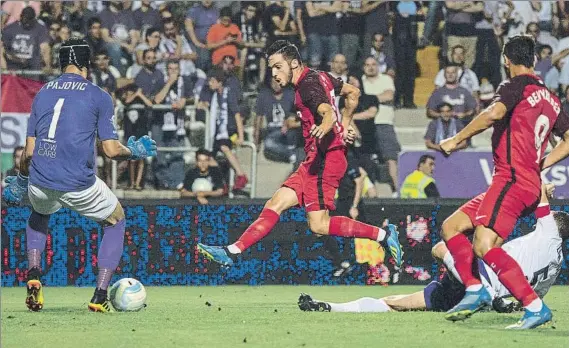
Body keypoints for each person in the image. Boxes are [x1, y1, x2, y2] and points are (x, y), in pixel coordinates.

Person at [197, 40, 403, 269]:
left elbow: (326, 113)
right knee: (275, 203)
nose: (273, 74)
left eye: (277, 67)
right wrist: (344, 125)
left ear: (293, 63)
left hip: (325, 160)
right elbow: (353, 92)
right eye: (271, 68)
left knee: (319, 225)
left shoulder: (307, 86)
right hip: (314, 160)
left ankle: (383, 235)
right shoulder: (321, 76)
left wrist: (330, 125)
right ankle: (232, 251)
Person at [2, 38, 157, 313]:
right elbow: (110, 150)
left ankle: (34, 274)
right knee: (116, 220)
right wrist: (132, 152)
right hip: (78, 183)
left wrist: (23, 181)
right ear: (87, 65)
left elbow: (29, 152)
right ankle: (99, 296)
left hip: (40, 180)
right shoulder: (98, 95)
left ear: (61, 63)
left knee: (39, 214)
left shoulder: (43, 93)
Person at [438, 35, 569, 329]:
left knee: (483, 244)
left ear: (506, 60)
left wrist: (457, 139)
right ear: (534, 60)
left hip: (511, 179)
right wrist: (541, 164)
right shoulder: (550, 97)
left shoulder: (514, 86)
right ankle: (475, 289)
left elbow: (493, 113)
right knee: (451, 227)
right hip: (523, 182)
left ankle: (534, 307)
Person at [298, 185, 567, 314]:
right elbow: (531, 297)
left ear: (555, 224)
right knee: (398, 303)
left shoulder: (548, 230)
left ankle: (482, 291)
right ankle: (329, 307)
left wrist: (545, 189)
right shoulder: (555, 264)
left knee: (440, 247)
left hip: (485, 278)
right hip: (490, 290)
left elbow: (539, 193)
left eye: (552, 215)